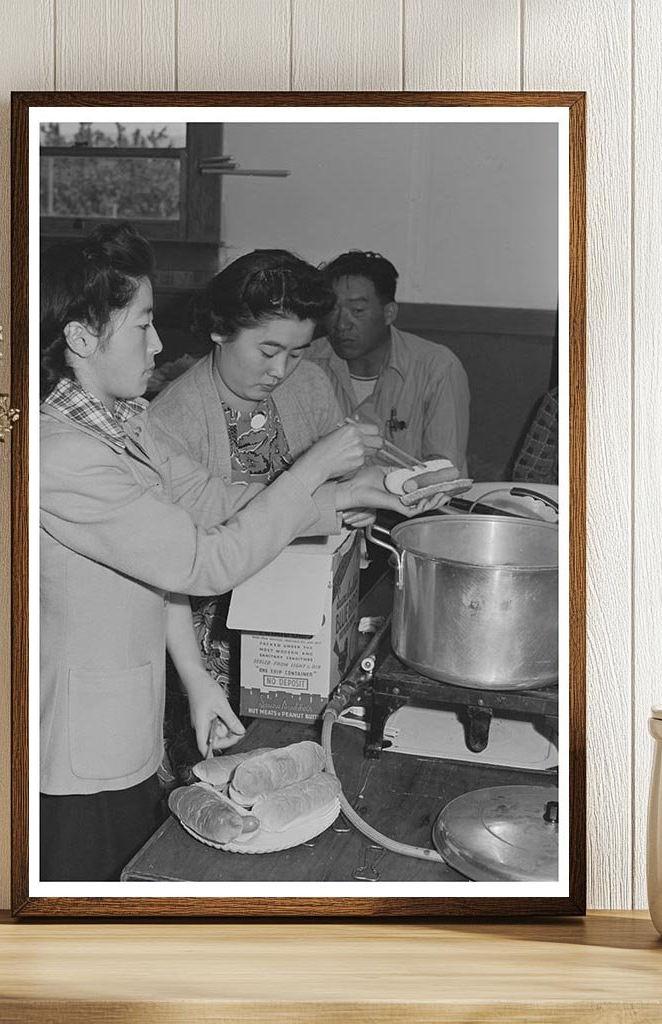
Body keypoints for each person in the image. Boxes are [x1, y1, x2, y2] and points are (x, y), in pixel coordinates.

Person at [39, 224, 443, 881]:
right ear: (82, 337)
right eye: (143, 325)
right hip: (78, 744)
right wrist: (309, 474)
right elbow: (201, 562)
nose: (161, 342)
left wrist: (353, 491)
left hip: (125, 719)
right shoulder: (61, 457)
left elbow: (207, 502)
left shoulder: (124, 421)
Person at [148, 250, 361, 759]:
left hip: (305, 623)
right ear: (220, 331)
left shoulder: (308, 384)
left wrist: (365, 495)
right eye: (267, 351)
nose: (281, 370)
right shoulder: (170, 421)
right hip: (212, 646)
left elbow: (336, 489)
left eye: (297, 352)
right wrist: (327, 487)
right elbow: (206, 532)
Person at [309, 250, 471, 476]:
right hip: (332, 506)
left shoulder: (437, 368)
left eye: (357, 310)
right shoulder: (307, 365)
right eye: (332, 310)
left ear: (389, 313)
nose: (342, 324)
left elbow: (442, 472)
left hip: (417, 508)